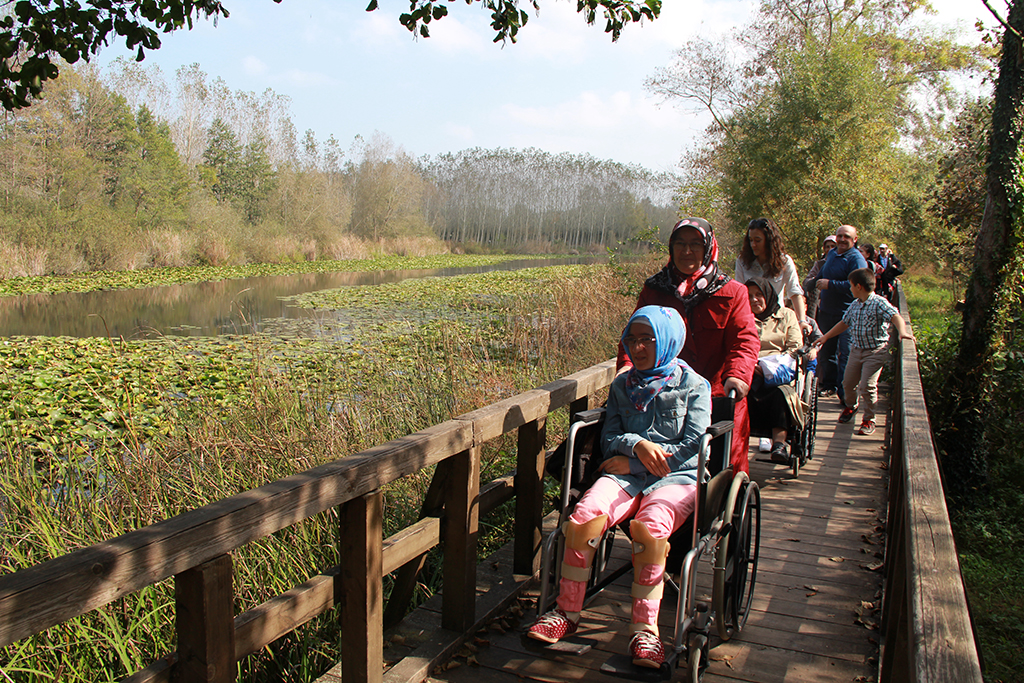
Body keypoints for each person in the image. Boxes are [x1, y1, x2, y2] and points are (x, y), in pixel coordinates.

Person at [528, 305, 712, 668]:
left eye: (648, 339)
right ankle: (566, 612)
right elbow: (609, 436)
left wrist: (637, 460)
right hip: (626, 473)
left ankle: (646, 631)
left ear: (669, 341)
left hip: (678, 476)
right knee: (584, 515)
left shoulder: (695, 386)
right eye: (633, 339)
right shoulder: (622, 384)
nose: (639, 348)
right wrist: (636, 446)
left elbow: (693, 445)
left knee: (651, 525)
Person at [617, 217, 759, 474]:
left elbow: (744, 341)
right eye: (680, 244)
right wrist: (626, 367)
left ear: (708, 247)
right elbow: (634, 334)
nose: (687, 251)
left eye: (695, 244)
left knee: (724, 472)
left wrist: (737, 376)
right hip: (662, 398)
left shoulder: (732, 292)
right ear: (671, 248)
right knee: (658, 463)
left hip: (717, 396)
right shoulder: (655, 289)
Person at [813, 268, 914, 435]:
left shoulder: (879, 303)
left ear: (858, 286)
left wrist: (902, 332)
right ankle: (851, 407)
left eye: (851, 286)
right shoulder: (855, 304)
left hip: (875, 352)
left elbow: (895, 316)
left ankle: (869, 419)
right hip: (856, 350)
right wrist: (825, 337)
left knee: (867, 386)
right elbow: (844, 323)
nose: (850, 289)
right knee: (848, 384)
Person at [744, 278, 806, 465]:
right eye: (749, 296)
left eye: (759, 295)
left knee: (781, 392)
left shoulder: (786, 315)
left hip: (778, 369)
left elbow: (795, 347)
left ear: (769, 295)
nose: (754, 300)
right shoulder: (742, 315)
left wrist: (770, 365)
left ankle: (779, 445)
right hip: (749, 367)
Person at [814, 224, 868, 405]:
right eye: (840, 236)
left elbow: (858, 286)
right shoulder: (832, 254)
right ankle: (829, 385)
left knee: (846, 354)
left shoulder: (856, 259)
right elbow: (821, 274)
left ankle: (846, 395)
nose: (842, 240)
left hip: (847, 314)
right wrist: (810, 283)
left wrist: (830, 285)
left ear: (855, 238)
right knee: (826, 351)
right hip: (826, 311)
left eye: (846, 236)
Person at [735, 217, 812, 335]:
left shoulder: (784, 261)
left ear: (769, 240)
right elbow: (738, 294)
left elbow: (795, 292)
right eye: (750, 240)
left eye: (758, 240)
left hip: (777, 321)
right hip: (751, 320)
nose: (753, 245)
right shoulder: (742, 261)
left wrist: (801, 320)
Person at [803, 234, 836, 320]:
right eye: (827, 247)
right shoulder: (820, 264)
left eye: (833, 246)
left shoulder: (843, 263)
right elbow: (806, 281)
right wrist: (817, 281)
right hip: (819, 299)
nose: (830, 249)